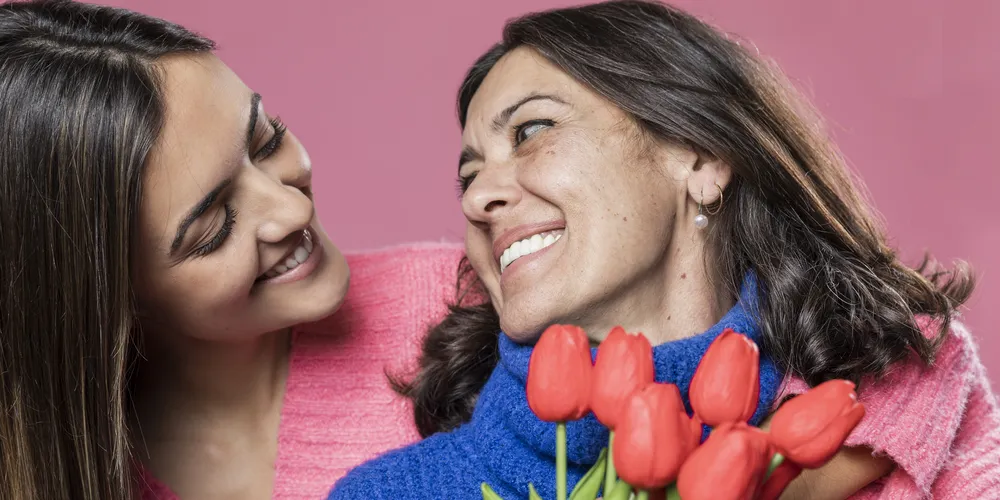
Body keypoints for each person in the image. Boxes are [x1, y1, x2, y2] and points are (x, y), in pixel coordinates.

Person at [329, 1, 999, 499]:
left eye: (533, 130)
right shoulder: (391, 493)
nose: (478, 199)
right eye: (468, 176)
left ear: (702, 159)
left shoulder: (890, 405)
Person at [0, 1, 462, 498]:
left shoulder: (471, 303)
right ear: (108, 294)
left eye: (265, 141)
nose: (292, 211)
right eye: (215, 227)